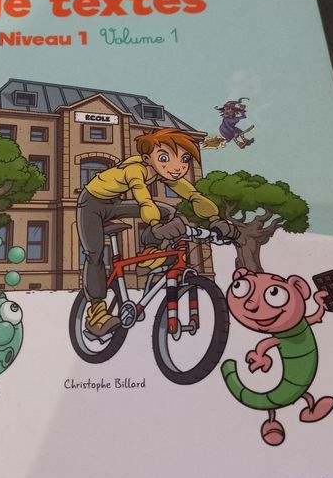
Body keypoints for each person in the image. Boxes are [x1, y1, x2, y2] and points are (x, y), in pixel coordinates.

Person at [77, 128, 239, 334]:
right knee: (94, 253)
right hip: (90, 204)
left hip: (114, 204)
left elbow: (193, 195)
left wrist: (216, 220)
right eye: (164, 158)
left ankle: (149, 251)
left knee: (168, 211)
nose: (177, 167)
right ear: (147, 158)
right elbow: (143, 198)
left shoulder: (163, 172)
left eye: (184, 159)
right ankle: (96, 314)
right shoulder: (135, 170)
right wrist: (155, 224)